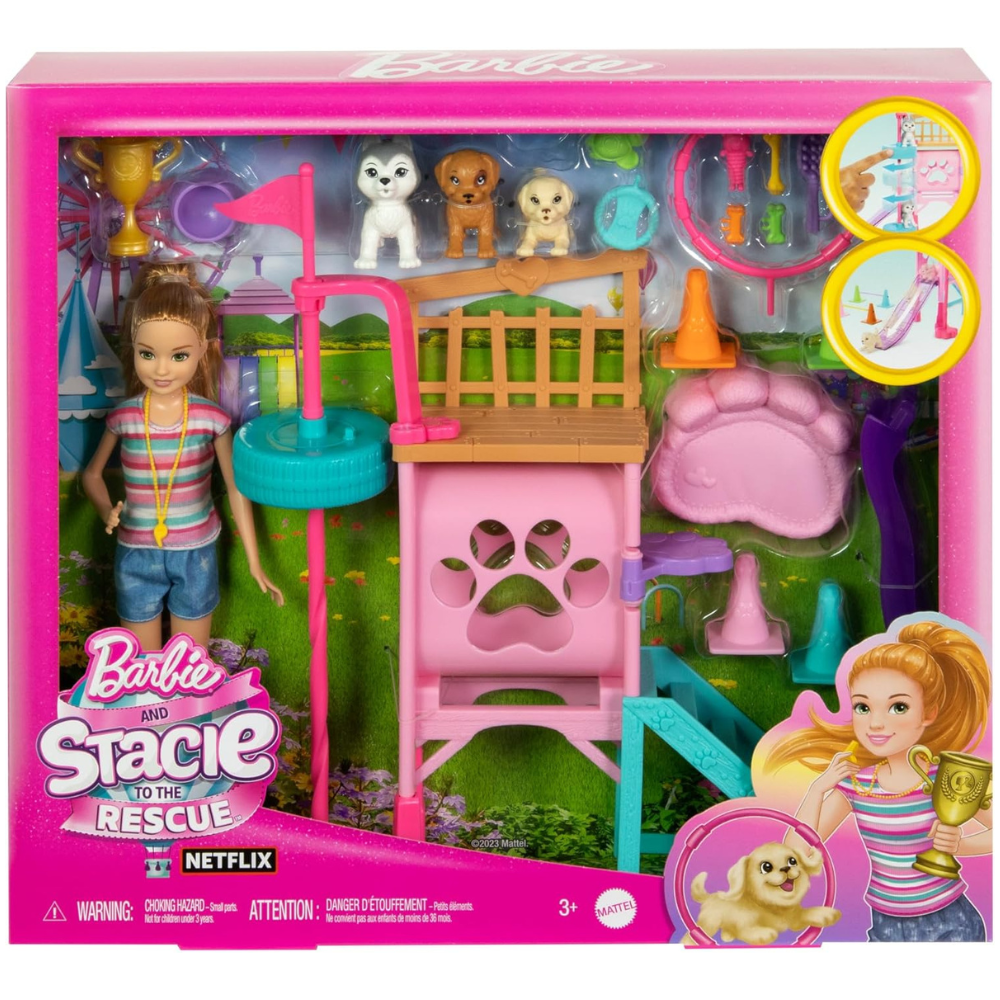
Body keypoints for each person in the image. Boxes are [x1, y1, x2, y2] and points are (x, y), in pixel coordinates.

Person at [83, 262, 283, 651]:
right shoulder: (125, 418)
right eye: (147, 354)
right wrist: (106, 509)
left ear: (202, 351)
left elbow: (236, 488)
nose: (161, 369)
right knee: (140, 663)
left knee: (190, 662)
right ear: (133, 349)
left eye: (178, 356)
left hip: (196, 552)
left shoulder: (211, 419)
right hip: (136, 552)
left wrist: (254, 560)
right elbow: (92, 475)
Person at [766, 621, 991, 941]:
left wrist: (962, 846)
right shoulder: (859, 786)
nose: (875, 723)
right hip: (886, 922)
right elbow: (794, 852)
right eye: (863, 707)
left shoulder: (945, 778)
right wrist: (817, 790)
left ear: (929, 713)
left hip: (950, 921)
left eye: (898, 707)